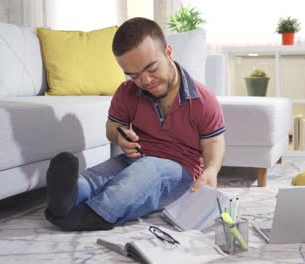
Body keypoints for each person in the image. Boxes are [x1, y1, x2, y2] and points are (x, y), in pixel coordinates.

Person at [44, 17, 225, 231]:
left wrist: (211, 169)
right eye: (134, 75)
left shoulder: (203, 99)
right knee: (96, 178)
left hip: (181, 173)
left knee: (147, 170)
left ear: (168, 52)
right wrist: (120, 135)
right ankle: (63, 201)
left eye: (151, 68)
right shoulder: (126, 92)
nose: (146, 81)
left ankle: (98, 214)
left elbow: (213, 141)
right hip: (135, 161)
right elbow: (111, 128)